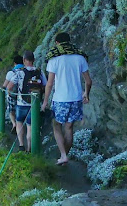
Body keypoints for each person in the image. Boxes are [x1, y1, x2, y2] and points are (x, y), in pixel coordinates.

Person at [40, 32, 92, 165]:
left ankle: (63, 155)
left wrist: (45, 101)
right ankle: (64, 156)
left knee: (56, 125)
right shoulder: (80, 58)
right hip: (76, 99)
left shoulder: (54, 59)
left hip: (60, 99)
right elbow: (88, 81)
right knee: (69, 128)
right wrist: (86, 94)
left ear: (57, 43)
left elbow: (50, 83)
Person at [11, 50, 47, 151]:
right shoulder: (40, 72)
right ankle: (29, 148)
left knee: (19, 123)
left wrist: (12, 95)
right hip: (34, 104)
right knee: (30, 127)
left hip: (21, 103)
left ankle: (21, 145)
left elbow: (9, 86)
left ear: (24, 60)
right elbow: (45, 85)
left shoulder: (20, 72)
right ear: (34, 60)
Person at [2, 55, 24, 134]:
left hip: (12, 95)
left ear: (14, 63)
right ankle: (20, 124)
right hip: (23, 96)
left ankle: (14, 124)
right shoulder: (25, 71)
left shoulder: (11, 72)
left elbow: (4, 86)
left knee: (11, 111)